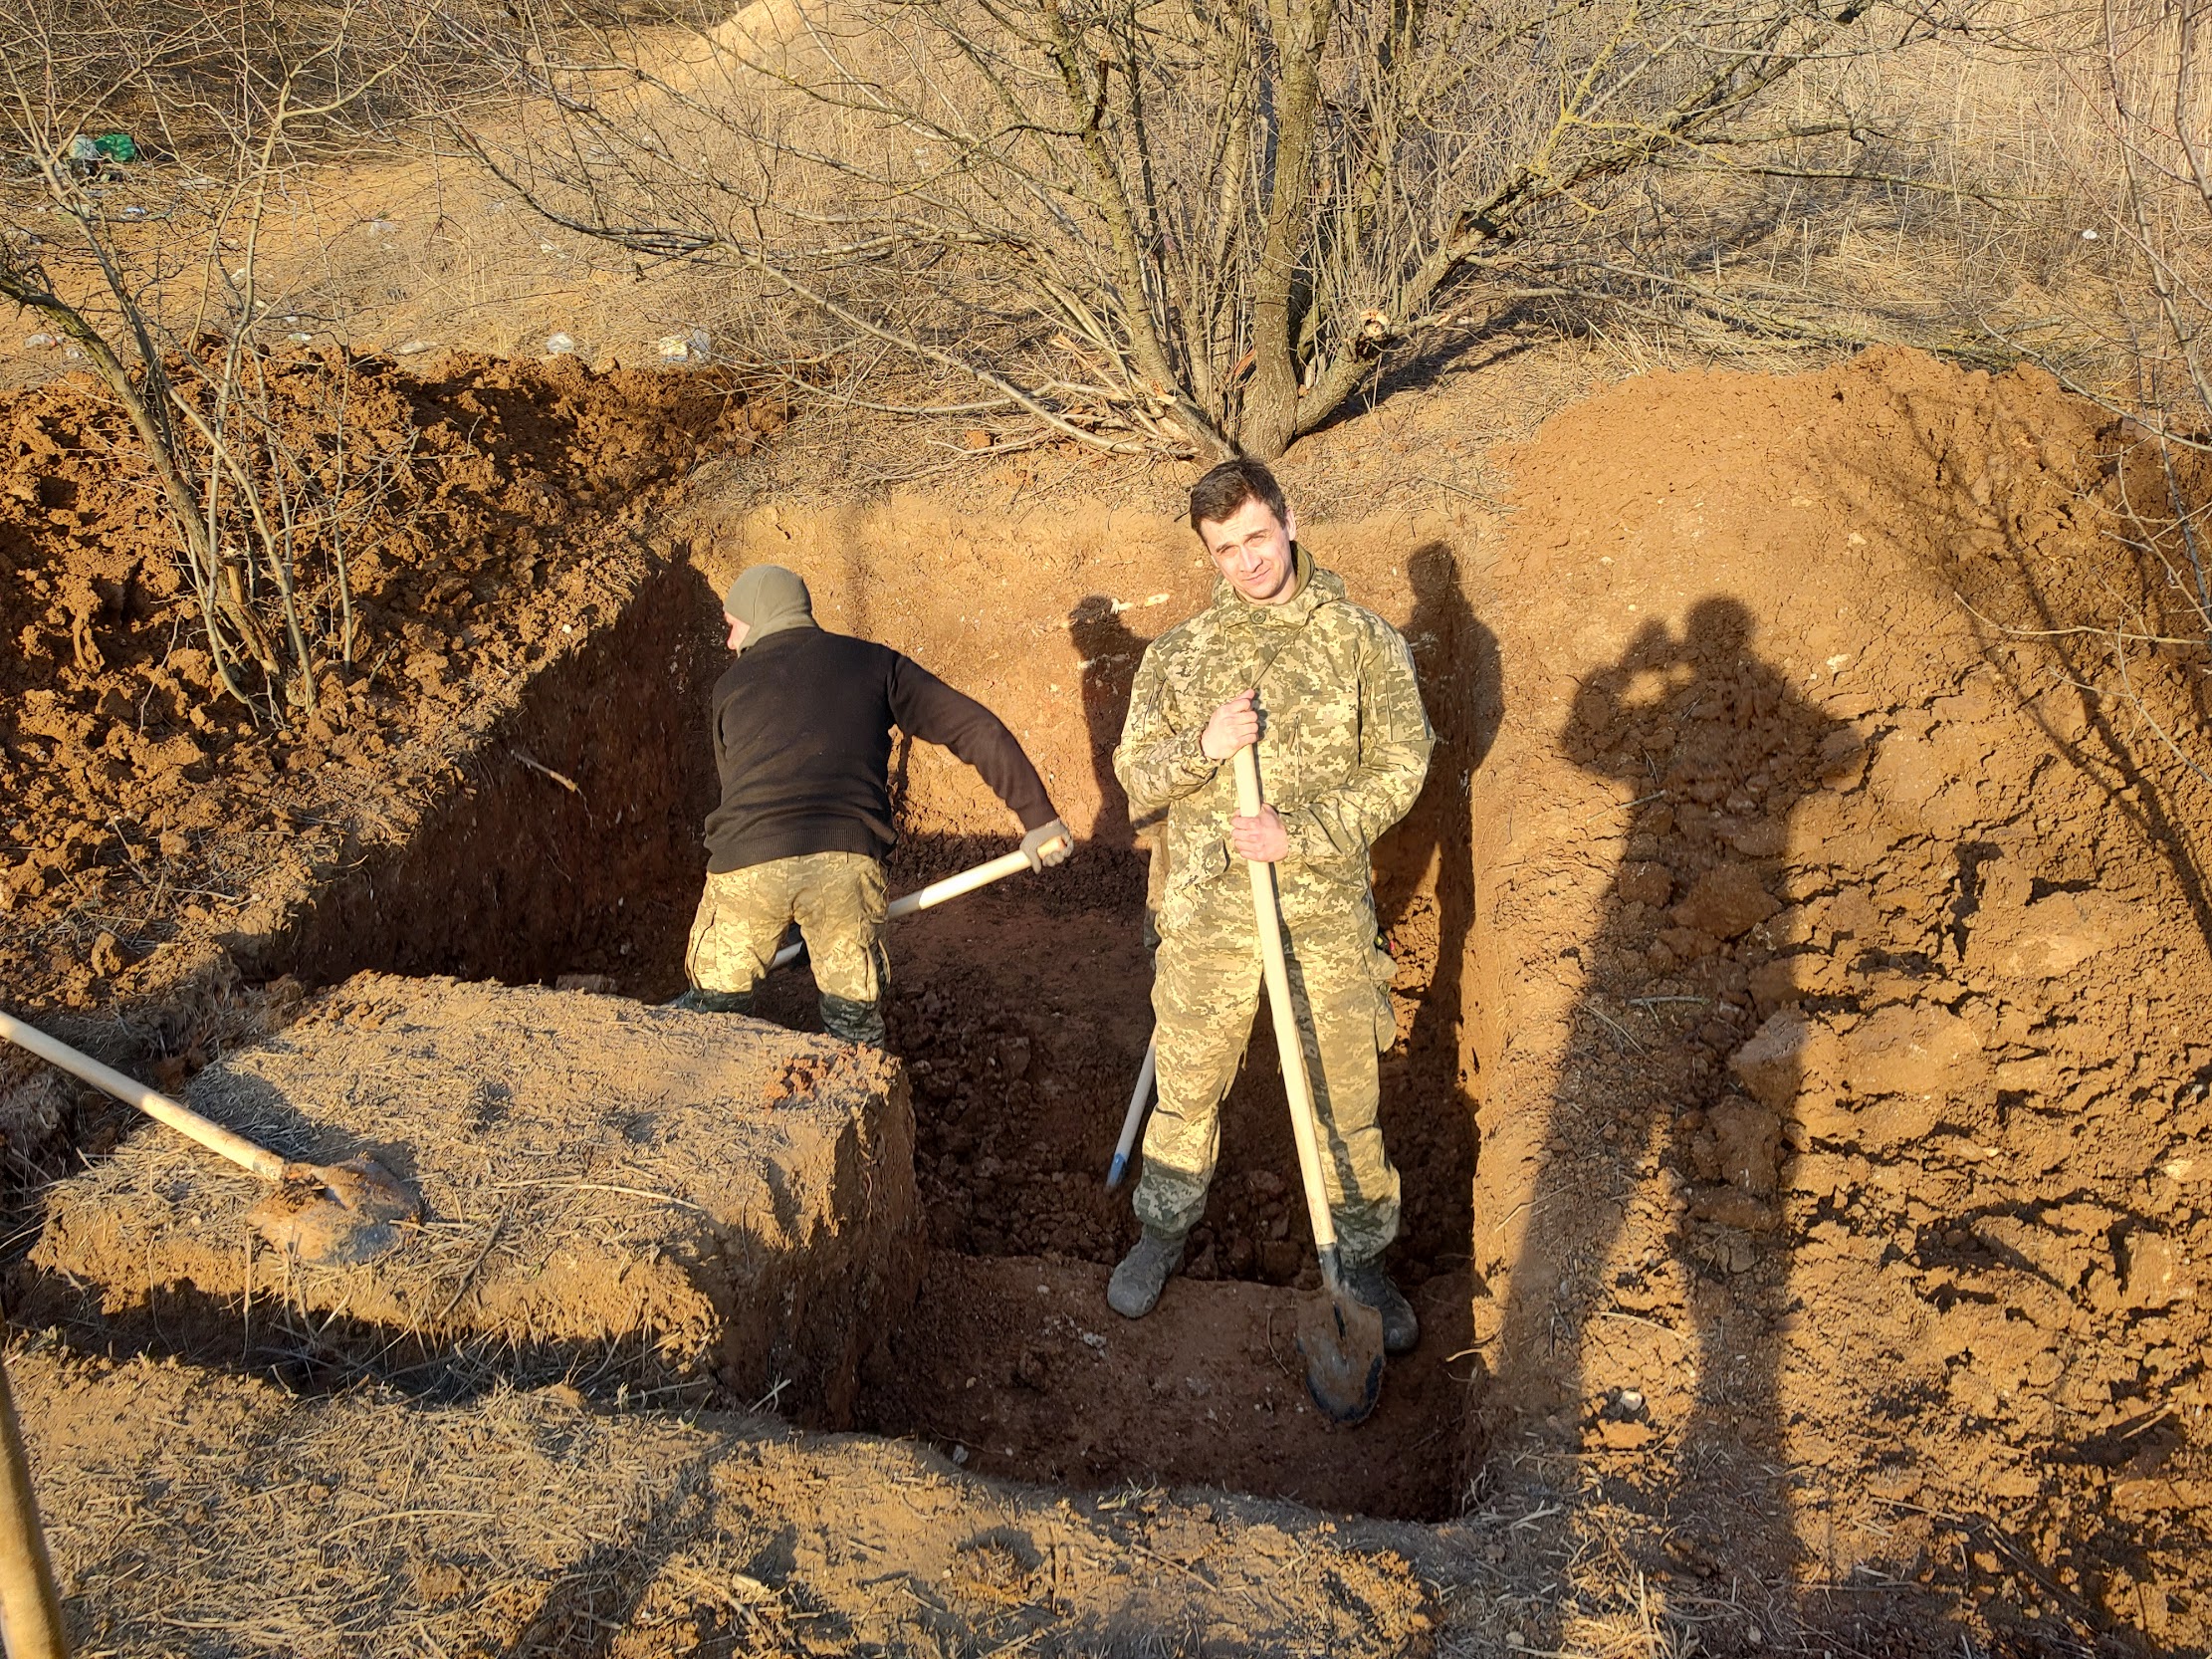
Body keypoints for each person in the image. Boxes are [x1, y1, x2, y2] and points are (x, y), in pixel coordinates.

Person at [1108, 459, 1434, 1352]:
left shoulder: (1363, 642)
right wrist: (1204, 744)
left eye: (1257, 537)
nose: (1247, 561)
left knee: (1343, 1092)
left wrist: (1306, 830)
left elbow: (1402, 767)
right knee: (1188, 1084)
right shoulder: (1179, 656)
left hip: (1321, 913)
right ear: (1208, 555)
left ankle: (1360, 1261)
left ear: (1287, 521)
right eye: (1225, 549)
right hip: (1209, 914)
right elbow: (1137, 777)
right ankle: (1161, 1233)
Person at [678, 565, 1071, 1045]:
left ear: (759, 617)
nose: (729, 641)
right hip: (846, 869)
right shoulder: (873, 663)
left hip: (746, 869)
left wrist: (787, 909)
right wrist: (1039, 818)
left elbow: (737, 791)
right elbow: (974, 728)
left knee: (705, 1019)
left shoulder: (730, 686)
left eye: (733, 625)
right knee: (854, 1033)